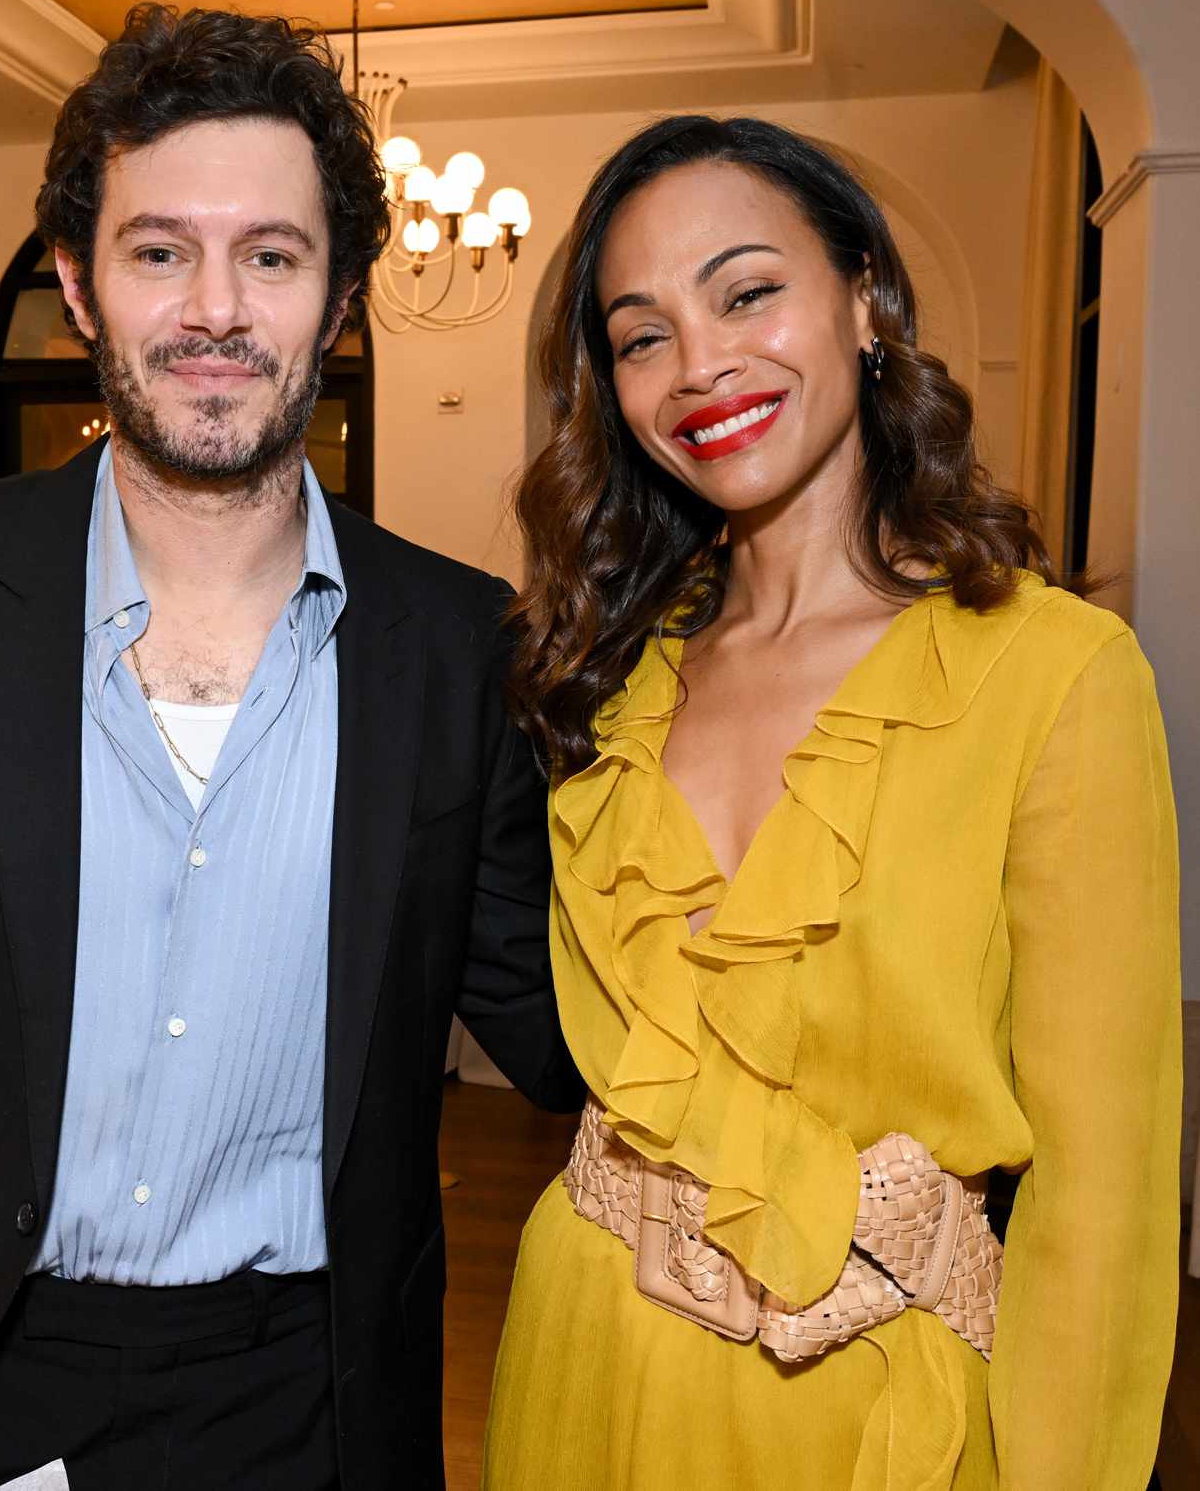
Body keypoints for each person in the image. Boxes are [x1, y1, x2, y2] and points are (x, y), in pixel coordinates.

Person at [0, 6, 579, 1490]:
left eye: (271, 254)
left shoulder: (458, 646)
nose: (214, 310)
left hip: (309, 1402)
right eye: (158, 250)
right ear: (78, 284)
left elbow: (566, 1028)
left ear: (339, 300)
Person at [484, 115, 1180, 1490]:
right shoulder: (599, 680)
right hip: (580, 1361)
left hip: (867, 1414)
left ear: (866, 298)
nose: (700, 367)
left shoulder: (1054, 674)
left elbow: (1104, 1205)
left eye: (748, 292)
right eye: (640, 335)